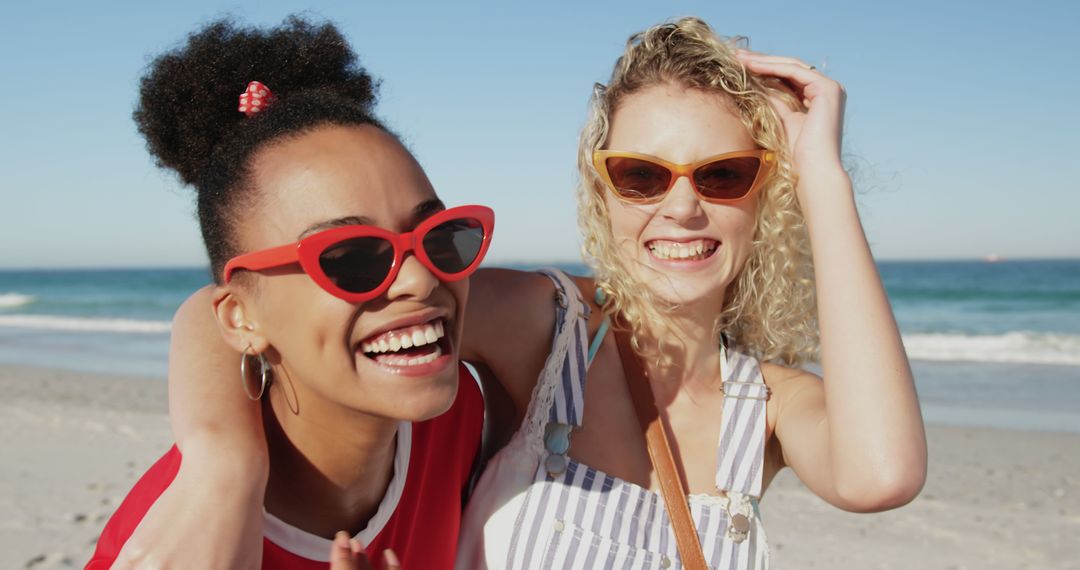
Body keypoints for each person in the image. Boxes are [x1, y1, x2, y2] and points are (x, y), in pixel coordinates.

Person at [113, 17, 927, 569]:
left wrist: (821, 174)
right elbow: (240, 311)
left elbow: (882, 474)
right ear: (600, 190)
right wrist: (224, 461)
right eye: (641, 176)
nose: (682, 206)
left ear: (763, 193)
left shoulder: (769, 407)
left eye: (724, 175)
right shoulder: (548, 327)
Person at [86, 18, 494, 570]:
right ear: (240, 318)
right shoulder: (181, 546)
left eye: (442, 237)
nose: (421, 279)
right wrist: (225, 464)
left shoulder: (459, 412)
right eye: (351, 257)